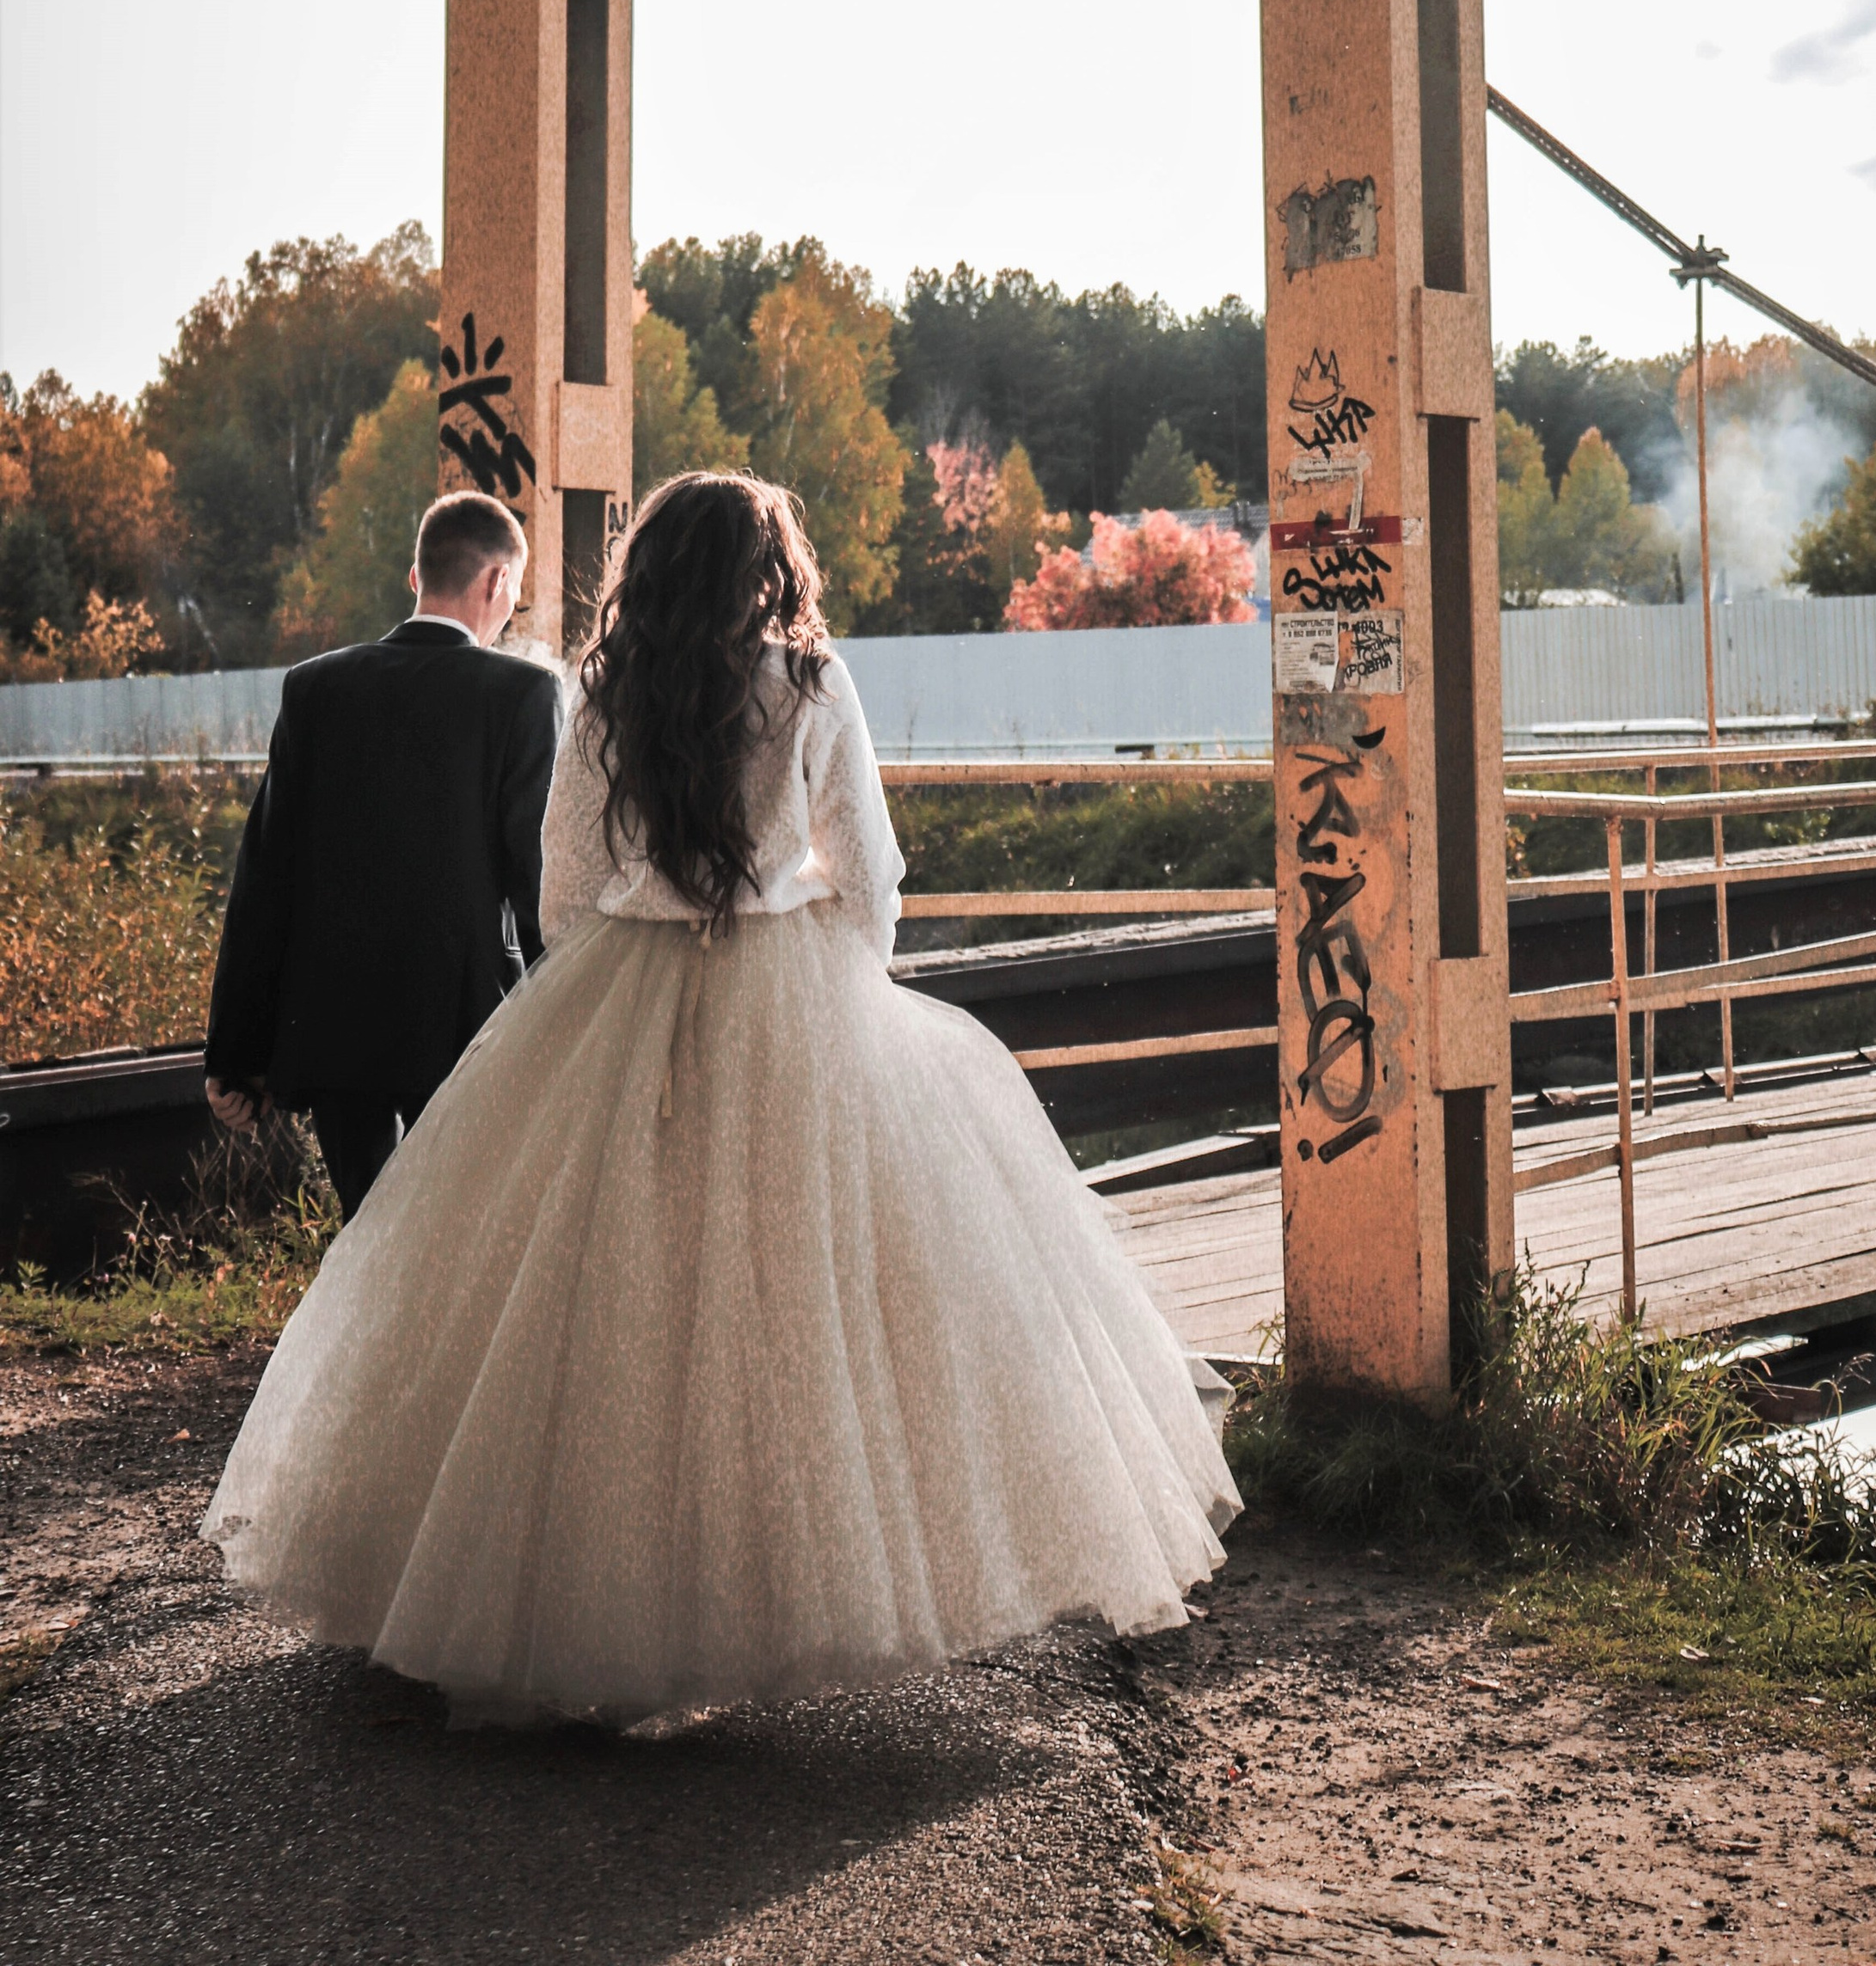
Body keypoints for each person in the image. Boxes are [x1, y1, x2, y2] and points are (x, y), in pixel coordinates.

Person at [202, 469, 1237, 1724]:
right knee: (788, 1301)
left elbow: (564, 886)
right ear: (767, 570)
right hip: (790, 987)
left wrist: (601, 989)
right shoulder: (811, 683)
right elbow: (870, 874)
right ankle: (767, 1597)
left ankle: (593, 1609)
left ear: (648, 570)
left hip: (623, 988)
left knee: (615, 1299)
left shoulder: (602, 691)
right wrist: (839, 991)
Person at [204, 491, 561, 1220]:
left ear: (415, 576)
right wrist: (565, 1018)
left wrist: (235, 1053)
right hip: (463, 1025)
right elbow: (535, 878)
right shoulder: (522, 694)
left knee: (365, 1234)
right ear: (498, 582)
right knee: (461, 1229)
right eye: (515, 591)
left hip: (336, 1031)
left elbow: (265, 876)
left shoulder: (315, 687)